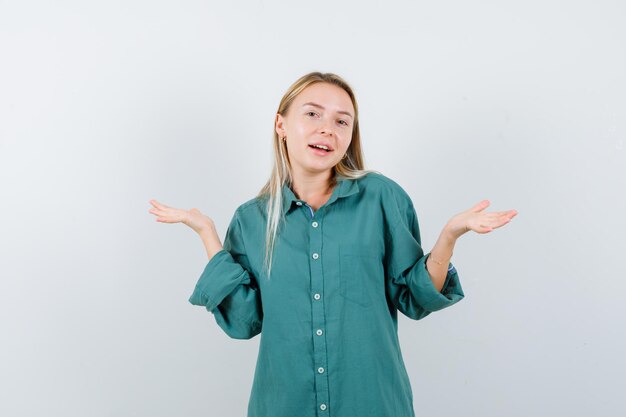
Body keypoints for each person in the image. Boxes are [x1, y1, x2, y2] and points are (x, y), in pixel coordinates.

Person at [148, 71, 518, 417]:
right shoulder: (251, 220)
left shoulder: (382, 199)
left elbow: (417, 298)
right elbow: (245, 321)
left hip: (371, 403)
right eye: (313, 114)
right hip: (283, 404)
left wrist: (448, 237)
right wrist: (207, 235)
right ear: (281, 125)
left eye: (342, 121)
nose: (328, 130)